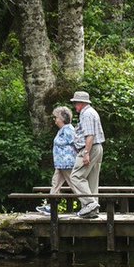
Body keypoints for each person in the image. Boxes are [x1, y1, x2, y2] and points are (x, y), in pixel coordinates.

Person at [69, 91, 105, 219]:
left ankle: (90, 203)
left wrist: (86, 153)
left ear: (82, 103)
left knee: (76, 176)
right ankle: (92, 211)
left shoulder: (87, 114)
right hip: (97, 147)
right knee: (91, 180)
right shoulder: (91, 112)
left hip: (90, 147)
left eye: (76, 103)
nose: (75, 106)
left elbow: (90, 135)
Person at [35, 106, 76, 215]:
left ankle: (88, 204)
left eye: (56, 117)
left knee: (74, 184)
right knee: (55, 183)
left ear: (63, 118)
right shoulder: (62, 130)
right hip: (61, 164)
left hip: (67, 164)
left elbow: (75, 142)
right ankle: (52, 207)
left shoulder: (68, 129)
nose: (55, 120)